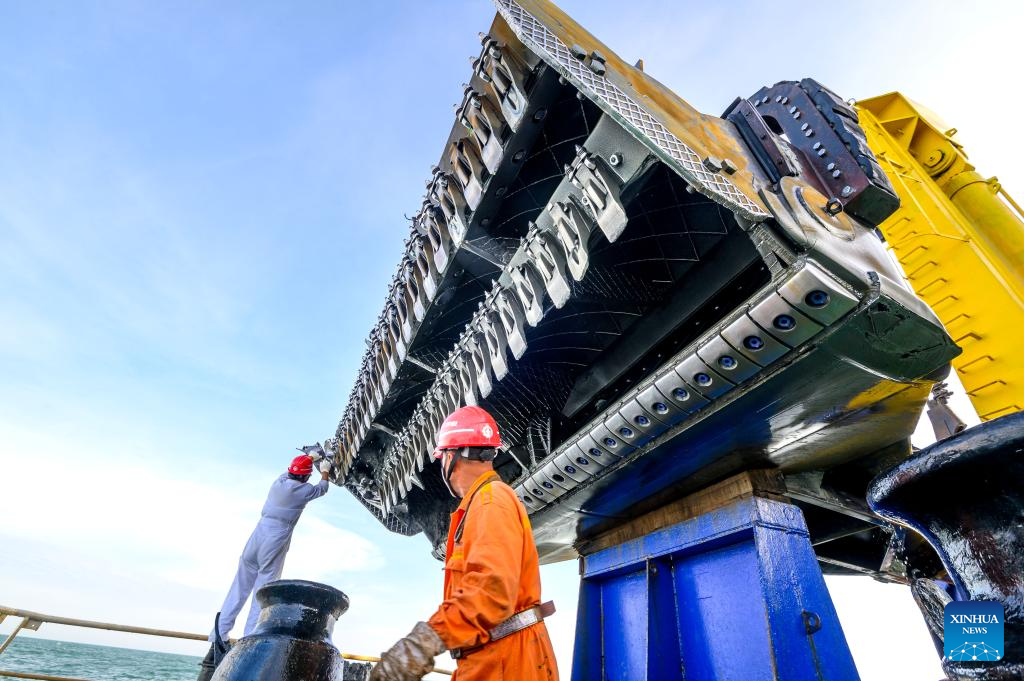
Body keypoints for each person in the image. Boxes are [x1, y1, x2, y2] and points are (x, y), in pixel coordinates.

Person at [370, 406, 559, 681]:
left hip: (507, 664)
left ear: (450, 456)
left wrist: (421, 644)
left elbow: (490, 592)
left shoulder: (490, 501)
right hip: (492, 659)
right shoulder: (483, 502)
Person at [211, 451, 332, 641]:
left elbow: (292, 472)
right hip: (275, 538)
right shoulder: (304, 490)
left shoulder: (278, 483)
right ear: (306, 477)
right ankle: (250, 638)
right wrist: (325, 471)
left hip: (257, 535)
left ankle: (218, 634)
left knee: (239, 587)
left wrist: (309, 458)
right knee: (263, 590)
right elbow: (322, 488)